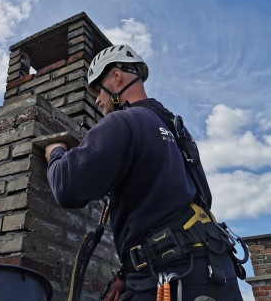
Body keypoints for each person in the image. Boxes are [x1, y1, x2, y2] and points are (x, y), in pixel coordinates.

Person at [45, 45, 245, 301]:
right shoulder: (177, 130)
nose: (96, 99)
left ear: (116, 76)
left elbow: (67, 186)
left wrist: (56, 153)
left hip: (172, 277)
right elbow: (181, 206)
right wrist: (126, 273)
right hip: (215, 270)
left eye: (97, 88)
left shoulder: (123, 122)